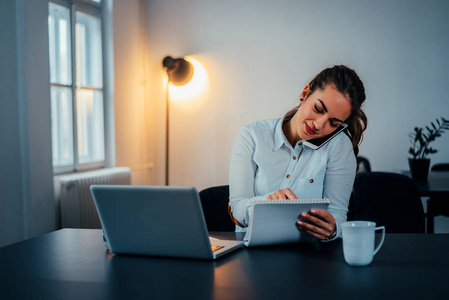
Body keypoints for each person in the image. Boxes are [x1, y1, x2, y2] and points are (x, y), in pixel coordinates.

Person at [228, 65, 367, 241]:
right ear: (305, 93)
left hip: (309, 255)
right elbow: (237, 208)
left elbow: (338, 215)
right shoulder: (252, 135)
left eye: (333, 123)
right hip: (251, 252)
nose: (319, 125)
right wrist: (264, 203)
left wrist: (332, 229)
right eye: (318, 109)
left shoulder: (339, 145)